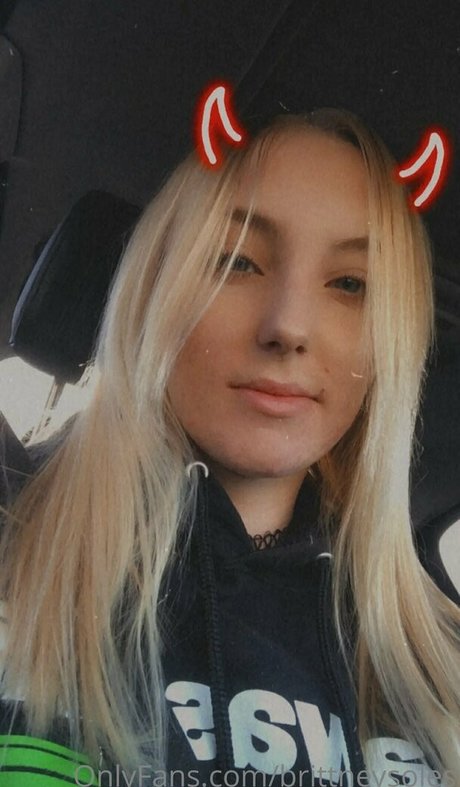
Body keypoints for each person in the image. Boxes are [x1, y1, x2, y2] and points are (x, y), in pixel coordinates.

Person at [0, 108, 459, 787]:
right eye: (237, 260)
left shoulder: (437, 668)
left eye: (350, 284)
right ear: (155, 286)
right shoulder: (16, 558)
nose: (288, 326)